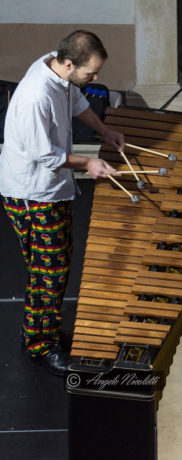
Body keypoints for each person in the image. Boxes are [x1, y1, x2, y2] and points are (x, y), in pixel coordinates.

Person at [0, 30, 124, 376]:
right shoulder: (36, 96)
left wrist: (104, 131)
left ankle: (38, 332)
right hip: (31, 193)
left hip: (50, 189)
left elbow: (77, 102)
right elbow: (46, 156)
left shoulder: (53, 66)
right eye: (90, 74)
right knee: (47, 272)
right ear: (69, 63)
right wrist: (89, 164)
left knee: (54, 266)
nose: (95, 79)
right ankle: (41, 346)